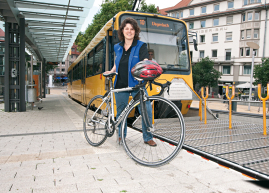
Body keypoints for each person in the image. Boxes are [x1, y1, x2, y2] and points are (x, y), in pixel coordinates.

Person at [104, 17, 156, 146]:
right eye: (126, 29)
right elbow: (118, 63)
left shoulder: (141, 45)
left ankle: (148, 137)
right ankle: (121, 136)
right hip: (120, 84)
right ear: (122, 31)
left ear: (135, 31)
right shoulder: (117, 47)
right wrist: (111, 71)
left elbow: (144, 61)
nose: (129, 31)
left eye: (132, 29)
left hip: (137, 84)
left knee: (146, 110)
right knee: (121, 112)